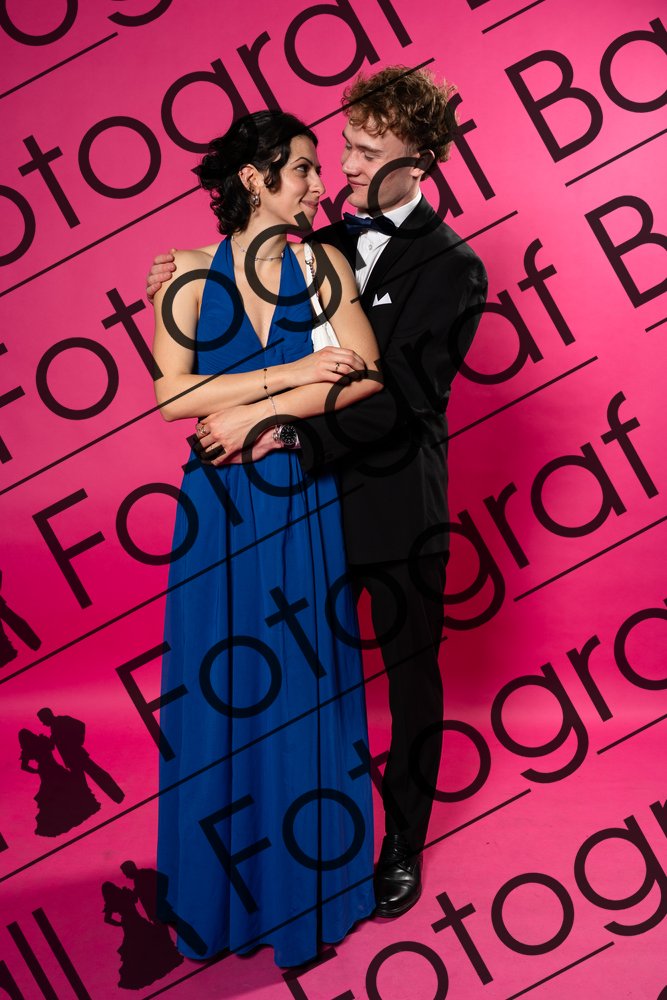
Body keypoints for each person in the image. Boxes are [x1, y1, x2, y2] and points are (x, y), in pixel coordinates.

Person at [147, 66, 489, 921]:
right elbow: (247, 305)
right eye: (343, 147)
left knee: (410, 681)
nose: (345, 166)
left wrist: (279, 429)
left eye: (368, 151)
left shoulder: (454, 268)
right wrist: (187, 275)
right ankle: (267, 857)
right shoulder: (315, 242)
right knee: (294, 685)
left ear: (420, 160)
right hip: (297, 513)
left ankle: (400, 843)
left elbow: (406, 399)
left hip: (392, 507)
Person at [151, 109, 383, 967]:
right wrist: (291, 372)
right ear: (255, 178)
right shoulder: (184, 274)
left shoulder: (322, 264)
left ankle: (304, 895)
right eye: (305, 169)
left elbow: (364, 371)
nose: (321, 184)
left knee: (301, 683)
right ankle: (217, 897)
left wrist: (257, 411)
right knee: (222, 690)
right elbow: (173, 399)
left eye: (320, 169)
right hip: (215, 511)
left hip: (296, 500)